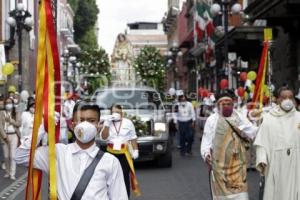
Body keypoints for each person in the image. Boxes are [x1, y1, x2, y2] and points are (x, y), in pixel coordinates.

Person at [15, 101, 128, 199]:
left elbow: (119, 197)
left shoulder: (110, 161)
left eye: (91, 120)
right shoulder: (57, 153)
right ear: (73, 125)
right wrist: (41, 129)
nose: (85, 125)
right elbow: (20, 157)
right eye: (81, 120)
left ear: (99, 125)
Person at [201, 90, 258, 200]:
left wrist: (263, 120)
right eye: (223, 104)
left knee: (241, 195)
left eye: (229, 104)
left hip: (238, 165)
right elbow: (206, 141)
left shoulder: (240, 117)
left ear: (233, 105)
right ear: (218, 105)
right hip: (219, 167)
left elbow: (252, 131)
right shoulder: (211, 120)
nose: (226, 106)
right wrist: (206, 154)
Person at [254, 87, 300, 200]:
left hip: (296, 163)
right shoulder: (269, 119)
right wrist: (262, 159)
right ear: (278, 100)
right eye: (284, 97)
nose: (288, 100)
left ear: (294, 100)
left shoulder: (299, 117)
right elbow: (261, 143)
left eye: (290, 97)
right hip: (276, 163)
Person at [100, 104, 140, 197]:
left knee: (124, 176)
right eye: (114, 112)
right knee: (110, 177)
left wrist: (135, 150)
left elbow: (133, 137)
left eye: (118, 112)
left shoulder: (128, 122)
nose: (116, 114)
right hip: (110, 153)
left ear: (122, 113)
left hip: (123, 154)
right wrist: (106, 124)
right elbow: (103, 137)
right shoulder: (108, 122)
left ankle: (125, 196)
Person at [0, 97, 21, 180]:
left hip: (14, 135)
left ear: (12, 104)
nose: (9, 104)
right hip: (4, 136)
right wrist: (5, 137)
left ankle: (12, 173)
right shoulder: (1, 113)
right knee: (6, 156)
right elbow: (0, 126)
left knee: (12, 156)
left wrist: (11, 121)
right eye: (7, 103)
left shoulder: (16, 112)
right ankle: (7, 172)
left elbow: (19, 124)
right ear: (5, 105)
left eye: (10, 103)